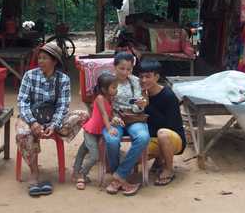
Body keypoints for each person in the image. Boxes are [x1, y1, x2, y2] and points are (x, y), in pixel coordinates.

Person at [16, 42, 88, 197]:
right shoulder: (30, 76)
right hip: (31, 118)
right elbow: (22, 102)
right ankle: (34, 172)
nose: (40, 61)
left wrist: (54, 125)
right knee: (23, 134)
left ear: (54, 61)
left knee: (83, 115)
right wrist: (33, 122)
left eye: (44, 58)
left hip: (53, 119)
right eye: (39, 58)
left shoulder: (63, 79)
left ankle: (56, 133)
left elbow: (63, 105)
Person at [103, 51, 150, 196]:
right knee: (111, 140)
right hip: (114, 118)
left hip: (134, 117)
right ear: (114, 66)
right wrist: (111, 117)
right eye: (121, 68)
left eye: (129, 69)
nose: (125, 72)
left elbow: (138, 103)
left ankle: (118, 176)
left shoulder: (135, 81)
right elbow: (100, 103)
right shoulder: (106, 80)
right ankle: (120, 177)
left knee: (143, 137)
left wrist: (140, 104)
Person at [138, 59, 186, 186]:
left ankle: (169, 169)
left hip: (173, 139)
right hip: (153, 138)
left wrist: (147, 107)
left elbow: (169, 125)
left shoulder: (168, 96)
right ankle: (159, 159)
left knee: (163, 133)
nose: (143, 80)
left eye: (148, 76)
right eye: (141, 76)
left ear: (157, 77)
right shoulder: (140, 94)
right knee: (134, 158)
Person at [71, 72, 120, 190]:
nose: (116, 90)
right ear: (104, 89)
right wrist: (109, 128)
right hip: (91, 131)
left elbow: (109, 115)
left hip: (97, 131)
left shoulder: (110, 99)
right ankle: (82, 174)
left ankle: (76, 172)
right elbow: (103, 114)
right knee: (94, 156)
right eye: (113, 87)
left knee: (83, 150)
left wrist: (115, 120)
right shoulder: (99, 98)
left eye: (116, 87)